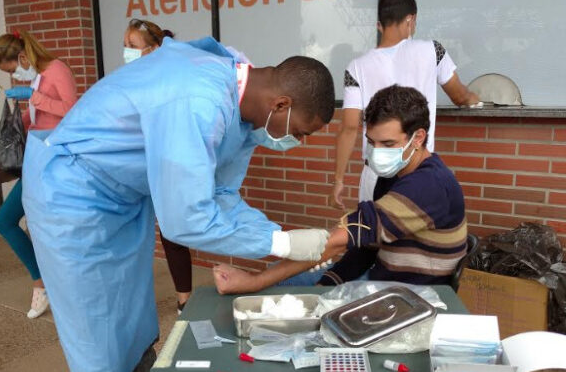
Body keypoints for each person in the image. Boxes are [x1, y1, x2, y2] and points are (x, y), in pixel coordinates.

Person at [21, 35, 335, 371]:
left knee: (130, 315)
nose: (297, 142)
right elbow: (187, 219)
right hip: (72, 194)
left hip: (124, 196)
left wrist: (277, 235)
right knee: (96, 328)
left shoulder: (246, 118)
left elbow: (221, 195)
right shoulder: (199, 99)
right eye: (301, 132)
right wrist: (281, 242)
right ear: (281, 105)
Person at [214, 85, 467, 294]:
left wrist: (254, 280)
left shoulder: (429, 186)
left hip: (407, 295)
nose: (377, 152)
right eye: (371, 142)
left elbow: (335, 243)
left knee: (270, 292)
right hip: (380, 275)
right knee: (289, 286)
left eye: (388, 143)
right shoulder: (396, 173)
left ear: (418, 137)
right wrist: (330, 282)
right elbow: (365, 246)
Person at [332, 0, 479, 209]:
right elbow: (460, 96)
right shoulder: (432, 51)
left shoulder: (356, 67)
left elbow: (348, 127)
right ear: (411, 20)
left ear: (379, 26)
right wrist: (475, 98)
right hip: (416, 168)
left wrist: (338, 180)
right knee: (414, 238)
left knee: (372, 232)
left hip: (375, 171)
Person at [0, 30, 77, 319]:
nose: (16, 73)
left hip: (54, 161)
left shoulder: (56, 69)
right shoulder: (40, 75)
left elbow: (73, 111)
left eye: (13, 68)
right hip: (38, 159)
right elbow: (42, 115)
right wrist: (19, 119)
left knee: (12, 221)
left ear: (23, 56)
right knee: (11, 222)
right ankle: (44, 282)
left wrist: (34, 98)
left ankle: (44, 284)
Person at [123, 18, 195, 315]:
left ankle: (185, 301)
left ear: (153, 49)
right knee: (132, 232)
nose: (126, 51)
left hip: (167, 161)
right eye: (124, 45)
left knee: (171, 232)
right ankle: (132, 299)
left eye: (132, 46)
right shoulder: (130, 78)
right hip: (135, 162)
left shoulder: (169, 78)